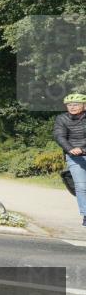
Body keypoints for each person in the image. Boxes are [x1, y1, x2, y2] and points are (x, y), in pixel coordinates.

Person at [54, 93, 86, 227]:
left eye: (76, 104)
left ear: (84, 106)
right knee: (81, 186)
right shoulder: (62, 118)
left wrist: (83, 149)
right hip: (75, 157)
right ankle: (85, 214)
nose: (72, 107)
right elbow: (59, 136)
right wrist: (70, 149)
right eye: (69, 105)